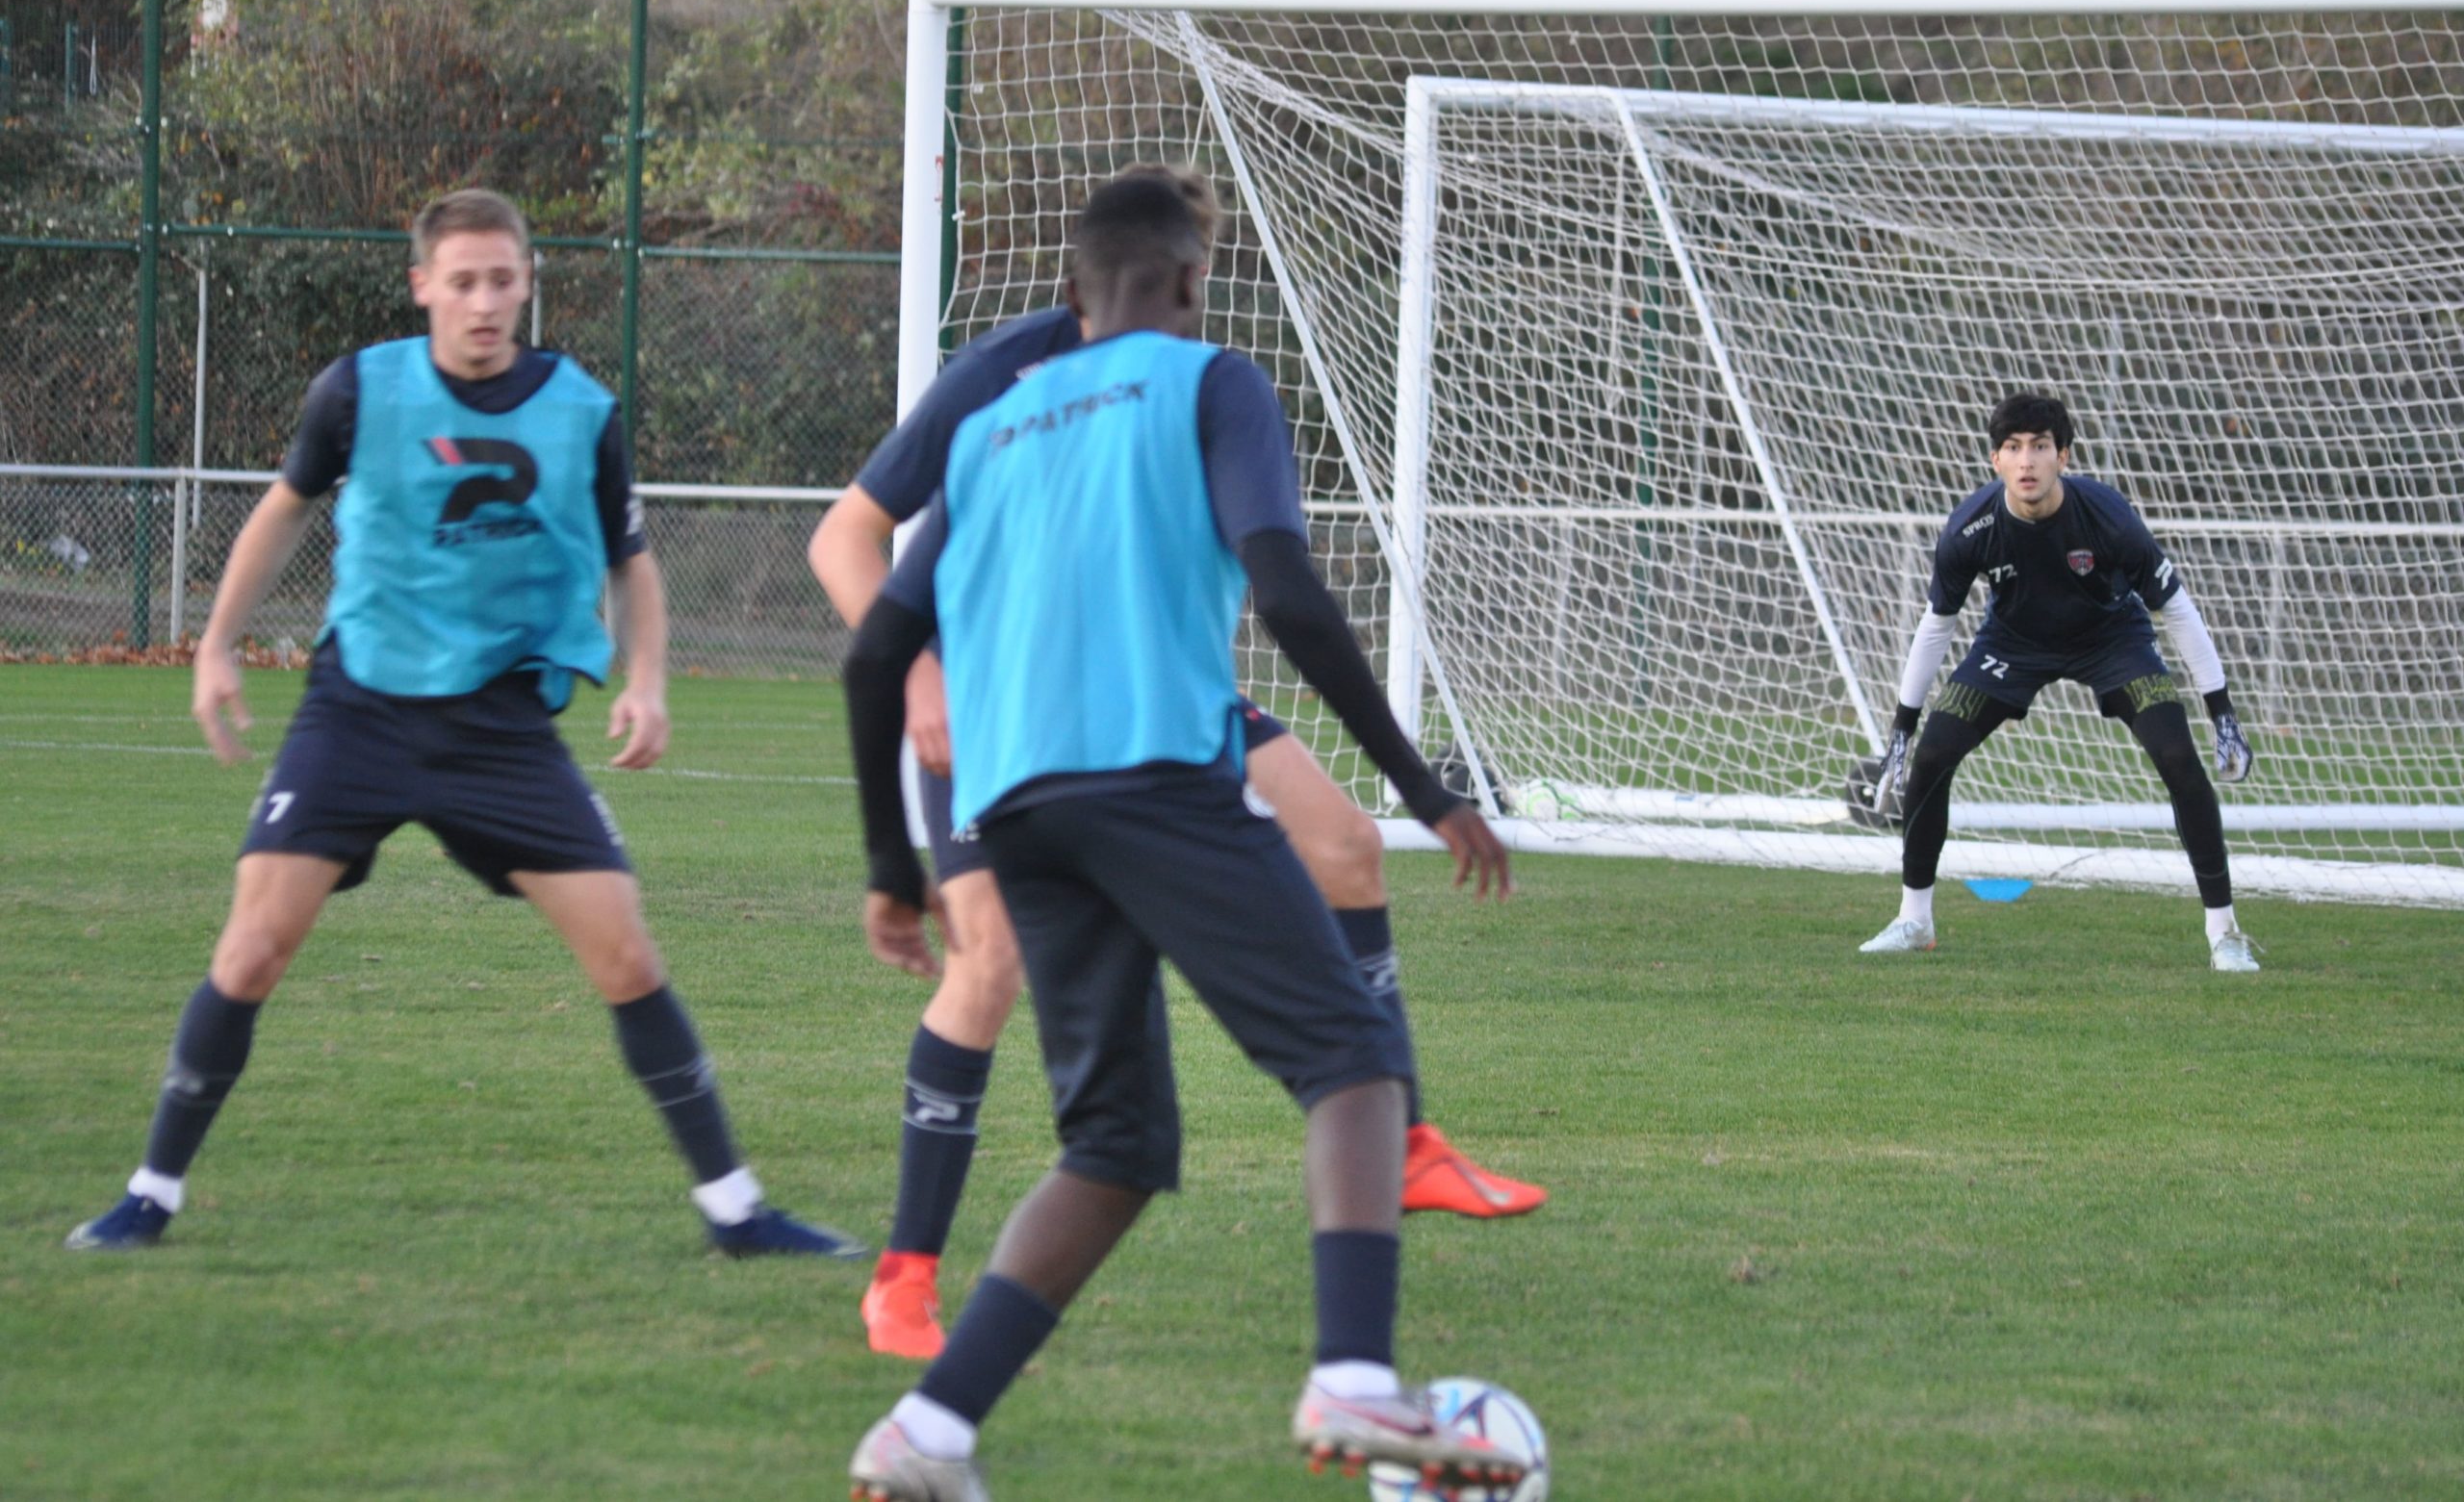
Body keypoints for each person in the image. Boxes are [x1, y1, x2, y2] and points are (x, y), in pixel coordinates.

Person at [838, 173, 1526, 1501]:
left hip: (1015, 810)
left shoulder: (988, 429)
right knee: (1353, 1059)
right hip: (1153, 778)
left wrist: (890, 867)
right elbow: (1287, 590)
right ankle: (1355, 1382)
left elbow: (876, 658)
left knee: (1115, 1147)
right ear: (1196, 280)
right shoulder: (1216, 383)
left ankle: (925, 1435)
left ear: (1070, 289)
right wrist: (1423, 785)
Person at [65, 189, 862, 1257]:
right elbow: (284, 507)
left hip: (499, 728)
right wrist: (215, 642)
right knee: (253, 945)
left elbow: (633, 559)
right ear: (423, 286)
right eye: (464, 281)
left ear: (528, 282)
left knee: (625, 953)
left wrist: (648, 676)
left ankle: (739, 1211)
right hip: (360, 712)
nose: (484, 303)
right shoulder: (357, 389)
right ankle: (148, 1195)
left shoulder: (579, 407)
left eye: (503, 280)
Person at [1863, 392, 2260, 971]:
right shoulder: (1969, 529)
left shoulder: (2108, 516)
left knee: (2178, 755)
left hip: (2113, 642)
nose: (2027, 461)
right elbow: (1935, 627)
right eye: (2014, 448)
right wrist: (1901, 728)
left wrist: (2221, 711)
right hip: (2011, 646)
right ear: (1994, 460)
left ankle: (2225, 934)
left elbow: (2175, 608)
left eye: (2041, 447)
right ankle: (1914, 921)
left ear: (2064, 457)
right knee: (1932, 757)